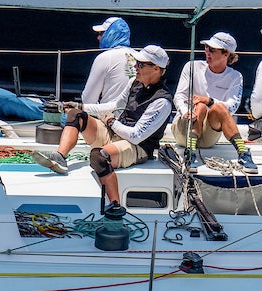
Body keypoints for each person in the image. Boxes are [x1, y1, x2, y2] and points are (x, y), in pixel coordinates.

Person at [32, 46, 173, 199]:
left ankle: (115, 206)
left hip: (137, 147)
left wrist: (111, 122)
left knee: (98, 156)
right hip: (116, 134)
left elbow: (136, 136)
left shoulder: (162, 101)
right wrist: (81, 107)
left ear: (156, 68)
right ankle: (60, 157)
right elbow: (114, 105)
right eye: (135, 62)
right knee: (76, 115)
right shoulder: (134, 83)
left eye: (140, 64)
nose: (135, 67)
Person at [171, 32, 257, 172]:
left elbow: (232, 107)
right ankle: (190, 154)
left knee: (219, 108)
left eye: (211, 49)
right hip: (184, 130)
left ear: (226, 54)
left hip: (208, 136)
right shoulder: (192, 67)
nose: (206, 52)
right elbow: (179, 96)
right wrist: (186, 111)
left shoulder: (235, 76)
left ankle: (243, 153)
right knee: (200, 107)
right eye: (206, 47)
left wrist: (209, 101)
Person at [81, 17, 135, 106]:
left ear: (111, 34)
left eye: (101, 33)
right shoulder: (138, 56)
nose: (98, 38)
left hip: (110, 116)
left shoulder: (104, 58)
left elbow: (88, 100)